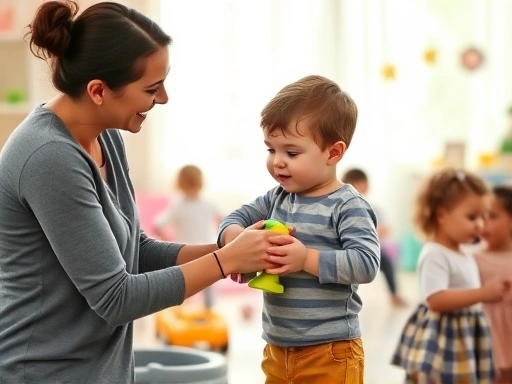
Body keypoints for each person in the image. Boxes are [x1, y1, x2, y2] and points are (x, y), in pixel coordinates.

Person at [0, 1, 280, 383]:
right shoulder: (49, 157)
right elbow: (116, 298)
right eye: (151, 88)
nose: (163, 98)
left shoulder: (106, 136)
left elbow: (136, 251)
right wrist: (225, 262)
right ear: (98, 90)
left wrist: (234, 252)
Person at [217, 75, 380, 384]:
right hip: (278, 346)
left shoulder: (347, 206)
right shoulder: (275, 197)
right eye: (271, 149)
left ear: (333, 153)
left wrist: (306, 259)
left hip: (331, 350)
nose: (277, 162)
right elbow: (231, 221)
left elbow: (366, 264)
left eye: (291, 153)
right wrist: (239, 245)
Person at [391, 168, 510, 384]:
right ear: (441, 215)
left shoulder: (463, 251)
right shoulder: (435, 253)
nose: (480, 225)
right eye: (472, 217)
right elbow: (435, 300)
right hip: (446, 337)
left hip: (464, 333)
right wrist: (482, 293)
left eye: (484, 217)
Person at [153, 164, 224, 308]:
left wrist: (168, 241)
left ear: (180, 184)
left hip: (187, 254)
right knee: (204, 284)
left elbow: (158, 225)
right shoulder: (206, 204)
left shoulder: (179, 205)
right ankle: (205, 310)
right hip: (201, 252)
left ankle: (201, 310)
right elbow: (224, 221)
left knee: (184, 286)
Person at [341, 168, 408, 307]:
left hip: (369, 248)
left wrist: (375, 232)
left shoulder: (372, 207)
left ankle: (394, 295)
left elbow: (385, 229)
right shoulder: (342, 205)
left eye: (364, 184)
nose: (363, 188)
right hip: (345, 247)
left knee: (387, 262)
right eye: (359, 183)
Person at [475, 186, 512, 384]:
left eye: (491, 216)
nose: (482, 224)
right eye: (478, 217)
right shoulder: (471, 258)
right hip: (485, 346)